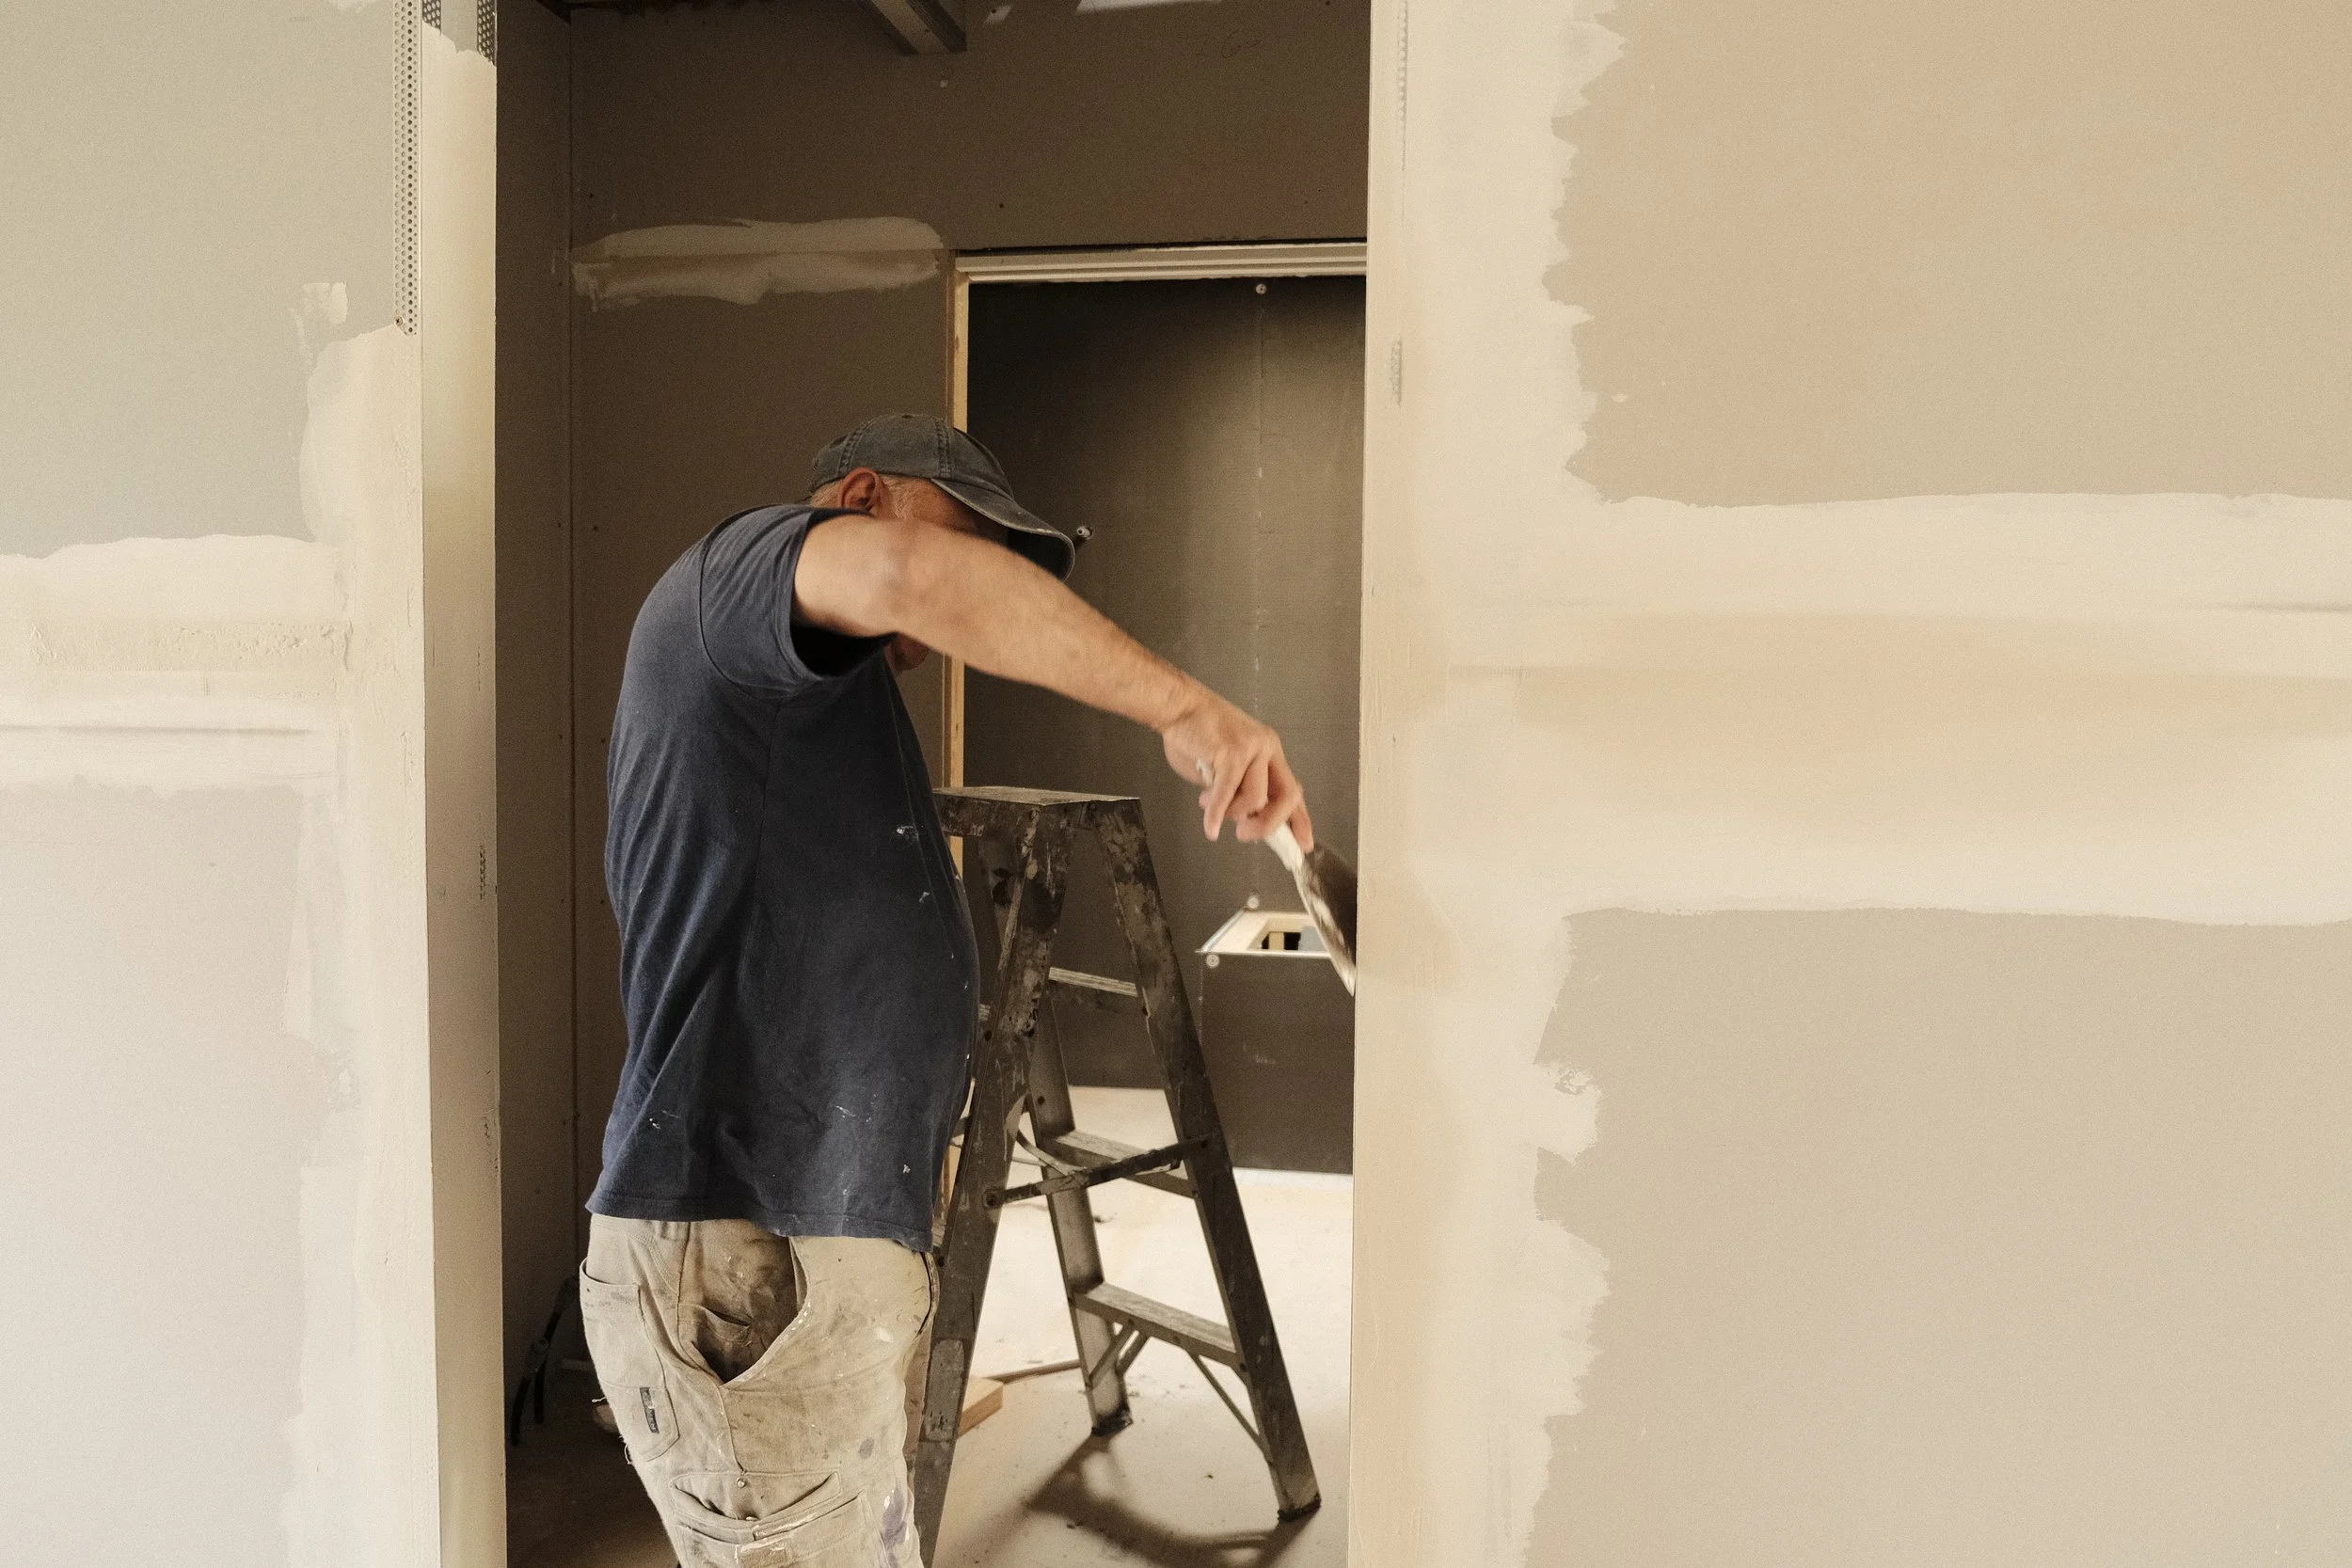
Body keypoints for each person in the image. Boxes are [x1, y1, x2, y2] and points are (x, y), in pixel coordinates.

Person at [578, 413, 1314, 1566]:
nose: (976, 588)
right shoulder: (734, 575)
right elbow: (911, 574)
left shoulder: (812, 688)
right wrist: (1188, 708)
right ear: (861, 493)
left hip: (806, 1250)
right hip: (749, 1251)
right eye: (976, 540)